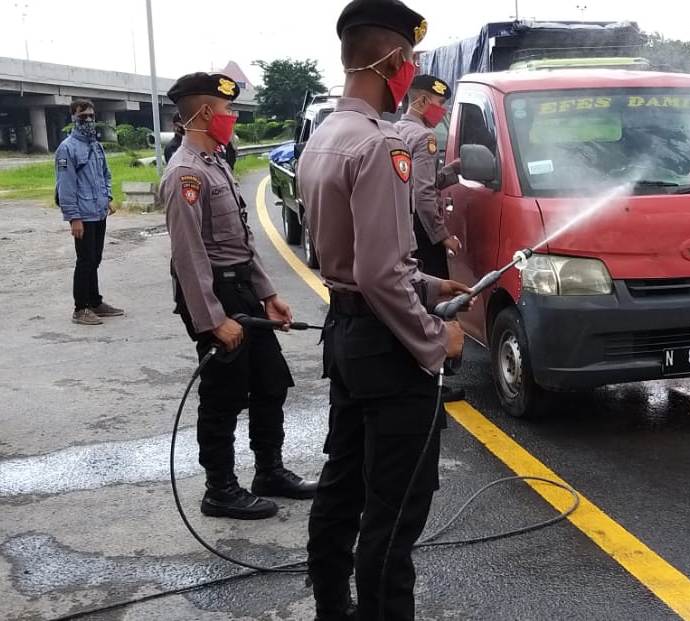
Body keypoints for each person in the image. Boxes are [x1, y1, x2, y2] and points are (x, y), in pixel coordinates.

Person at [298, 1, 469, 619]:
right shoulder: (381, 146)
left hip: (345, 336)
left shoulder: (324, 138)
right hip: (385, 351)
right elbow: (376, 271)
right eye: (412, 61)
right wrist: (434, 335)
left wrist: (428, 285)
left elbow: (345, 263)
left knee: (342, 490)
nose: (414, 72)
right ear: (394, 61)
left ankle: (331, 609)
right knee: (394, 513)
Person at [160, 72, 317, 520]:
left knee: (270, 383)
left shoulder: (216, 163)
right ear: (206, 112)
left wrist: (268, 293)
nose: (231, 119)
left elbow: (242, 241)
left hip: (243, 289)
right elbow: (189, 256)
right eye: (228, 111)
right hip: (217, 294)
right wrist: (212, 320)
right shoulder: (186, 173)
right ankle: (220, 490)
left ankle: (269, 471)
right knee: (223, 395)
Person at [395, 74, 466, 402]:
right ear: (422, 101)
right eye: (439, 104)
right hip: (423, 232)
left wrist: (450, 172)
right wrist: (443, 237)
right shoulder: (425, 137)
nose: (442, 111)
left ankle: (415, 371)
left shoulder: (397, 130)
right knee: (435, 302)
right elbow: (423, 195)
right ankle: (436, 376)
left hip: (404, 227)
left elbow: (417, 182)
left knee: (413, 302)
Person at [55, 99, 124, 326]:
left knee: (95, 258)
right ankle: (81, 308)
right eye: (83, 116)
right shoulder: (67, 148)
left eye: (91, 116)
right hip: (82, 214)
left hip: (98, 211)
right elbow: (66, 186)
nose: (88, 120)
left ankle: (95, 302)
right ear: (73, 118)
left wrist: (108, 199)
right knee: (85, 260)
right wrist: (73, 217)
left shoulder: (96, 146)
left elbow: (106, 175)